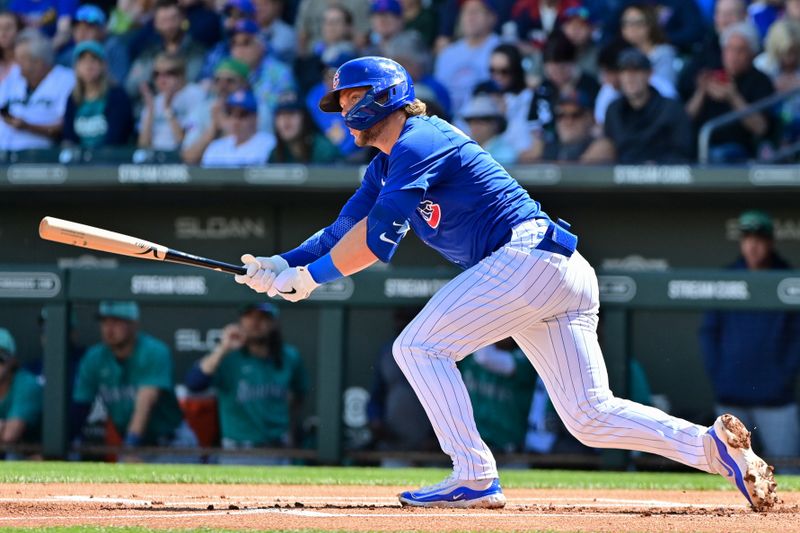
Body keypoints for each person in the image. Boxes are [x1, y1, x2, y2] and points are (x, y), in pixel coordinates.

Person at [233, 55, 778, 510]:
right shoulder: (383, 165)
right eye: (342, 102)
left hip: (528, 257)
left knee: (418, 347)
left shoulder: (420, 140)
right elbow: (340, 230)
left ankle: (473, 473)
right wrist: (278, 264)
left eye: (352, 99)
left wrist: (310, 279)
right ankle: (712, 449)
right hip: (552, 270)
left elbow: (375, 243)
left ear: (383, 97)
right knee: (590, 415)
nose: (345, 111)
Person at [699, 210, 800, 470]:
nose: (752, 245)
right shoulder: (727, 277)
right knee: (727, 470)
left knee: (788, 471)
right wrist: (721, 375)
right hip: (731, 396)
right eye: (747, 238)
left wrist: (783, 376)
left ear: (770, 242)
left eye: (759, 238)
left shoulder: (788, 279)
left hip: (777, 400)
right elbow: (709, 333)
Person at [72, 301, 198, 462]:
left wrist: (130, 446)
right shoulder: (94, 358)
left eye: (116, 322)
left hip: (171, 444)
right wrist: (55, 449)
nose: (109, 329)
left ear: (133, 324)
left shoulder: (153, 351)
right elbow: (80, 407)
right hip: (135, 445)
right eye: (104, 322)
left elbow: (145, 402)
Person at [185, 302, 308, 464]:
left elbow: (298, 395)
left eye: (262, 317)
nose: (255, 323)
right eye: (250, 317)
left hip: (278, 449)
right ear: (241, 321)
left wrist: (291, 433)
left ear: (274, 322)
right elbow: (194, 383)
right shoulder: (229, 357)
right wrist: (223, 348)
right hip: (238, 452)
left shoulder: (289, 356)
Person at [685, 22, 775, 163]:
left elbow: (760, 128)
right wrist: (701, 92)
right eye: (729, 49)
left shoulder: (761, 81)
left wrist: (733, 97)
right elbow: (684, 122)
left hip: (740, 149)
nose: (733, 56)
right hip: (700, 145)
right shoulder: (711, 74)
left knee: (717, 155)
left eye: (740, 50)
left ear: (752, 54)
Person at [367, 308, 437, 465]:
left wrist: (436, 437)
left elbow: (448, 398)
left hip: (430, 446)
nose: (401, 325)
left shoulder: (434, 350)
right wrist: (375, 419)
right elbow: (377, 395)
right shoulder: (387, 352)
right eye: (398, 320)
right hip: (394, 442)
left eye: (406, 320)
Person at [603, 48, 693, 163]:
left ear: (649, 74)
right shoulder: (613, 110)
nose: (630, 78)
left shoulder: (671, 109)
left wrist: (659, 164)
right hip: (621, 176)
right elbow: (611, 148)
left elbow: (683, 152)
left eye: (636, 71)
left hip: (663, 177)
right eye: (624, 72)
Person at [0, 29, 75, 151]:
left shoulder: (66, 79)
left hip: (42, 158)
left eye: (22, 59)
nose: (17, 64)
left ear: (39, 62)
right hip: (4, 157)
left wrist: (28, 127)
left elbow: (65, 128)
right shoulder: (13, 77)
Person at [458, 338, 537, 454]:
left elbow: (485, 357)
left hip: (509, 451)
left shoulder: (526, 358)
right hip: (468, 446)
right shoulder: (467, 355)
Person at [124, 0, 207, 100]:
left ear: (183, 19)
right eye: (163, 21)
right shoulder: (149, 53)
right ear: (156, 24)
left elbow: (192, 80)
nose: (168, 26)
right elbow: (131, 86)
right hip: (152, 107)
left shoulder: (196, 50)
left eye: (172, 20)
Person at [62, 40, 134, 148]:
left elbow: (116, 138)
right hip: (79, 163)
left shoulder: (117, 96)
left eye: (93, 60)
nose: (88, 66)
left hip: (110, 161)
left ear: (104, 65)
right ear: (76, 67)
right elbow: (68, 139)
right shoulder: (73, 98)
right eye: (83, 61)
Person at [434, 0, 500, 114]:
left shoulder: (501, 48)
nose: (470, 17)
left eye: (476, 12)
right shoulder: (447, 54)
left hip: (487, 120)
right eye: (466, 11)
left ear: (492, 17)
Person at [181, 57, 250, 164]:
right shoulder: (201, 110)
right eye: (218, 80)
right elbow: (189, 157)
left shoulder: (257, 110)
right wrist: (213, 128)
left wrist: (226, 126)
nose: (222, 86)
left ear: (244, 84)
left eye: (230, 81)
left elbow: (259, 153)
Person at [137, 52, 205, 152]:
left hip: (180, 159)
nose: (161, 79)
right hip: (155, 159)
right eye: (156, 74)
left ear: (182, 74)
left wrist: (168, 109)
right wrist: (150, 111)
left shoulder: (196, 95)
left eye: (168, 73)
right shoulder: (155, 101)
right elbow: (143, 145)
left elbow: (185, 141)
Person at [55, 4, 130, 85]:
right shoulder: (66, 57)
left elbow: (120, 85)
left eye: (88, 28)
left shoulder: (113, 47)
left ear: (102, 30)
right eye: (77, 28)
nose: (81, 33)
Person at [201, 88, 276, 167]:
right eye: (230, 113)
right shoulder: (215, 147)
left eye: (242, 114)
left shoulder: (269, 144)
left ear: (255, 118)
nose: (235, 120)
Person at [0, 328, 43, 459]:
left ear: (12, 361)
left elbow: (9, 436)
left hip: (32, 458)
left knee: (13, 455)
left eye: (0, 357)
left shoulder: (26, 384)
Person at [538, 91, 613, 162]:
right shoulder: (548, 146)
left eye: (575, 115)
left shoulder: (600, 147)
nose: (568, 122)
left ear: (590, 118)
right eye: (561, 115)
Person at [618, 3, 677, 86]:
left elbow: (666, 89)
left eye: (637, 23)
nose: (630, 28)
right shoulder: (625, 54)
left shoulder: (664, 53)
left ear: (650, 25)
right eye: (626, 23)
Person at [269, 95, 340, 163]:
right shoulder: (275, 155)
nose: (285, 120)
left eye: (291, 113)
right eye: (280, 115)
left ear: (305, 119)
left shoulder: (324, 150)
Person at [460, 93, 518, 166]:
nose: (475, 127)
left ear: (495, 124)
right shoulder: (468, 150)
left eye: (481, 122)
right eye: (471, 122)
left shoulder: (506, 153)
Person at [0, 11, 22, 85]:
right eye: (0, 28)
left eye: (8, 28)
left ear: (19, 30)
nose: (3, 33)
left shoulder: (26, 62)